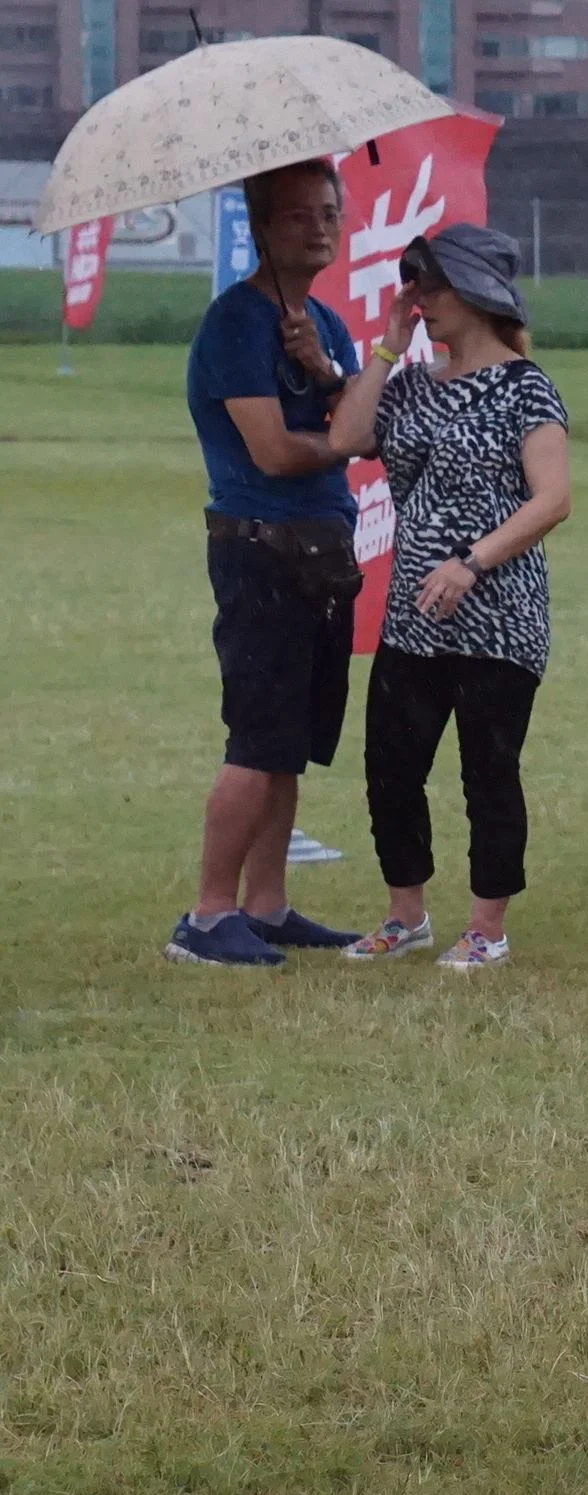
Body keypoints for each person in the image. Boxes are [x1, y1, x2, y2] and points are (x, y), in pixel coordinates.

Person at [327, 225, 571, 969]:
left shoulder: (525, 387)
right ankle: (407, 915)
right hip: (412, 616)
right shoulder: (407, 387)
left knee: (487, 770)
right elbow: (346, 438)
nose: (420, 300)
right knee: (391, 766)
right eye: (415, 287)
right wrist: (387, 348)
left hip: (500, 617)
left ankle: (487, 927)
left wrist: (472, 561)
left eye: (431, 287)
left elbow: (553, 498)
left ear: (475, 293)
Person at [168, 159, 365, 967]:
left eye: (329, 212)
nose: (318, 228)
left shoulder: (327, 323)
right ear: (259, 227)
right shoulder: (234, 325)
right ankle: (209, 915)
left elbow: (373, 422)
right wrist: (342, 437)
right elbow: (277, 453)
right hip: (260, 549)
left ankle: (268, 902)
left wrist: (327, 374)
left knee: (292, 742)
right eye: (296, 216)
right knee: (256, 738)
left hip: (322, 551)